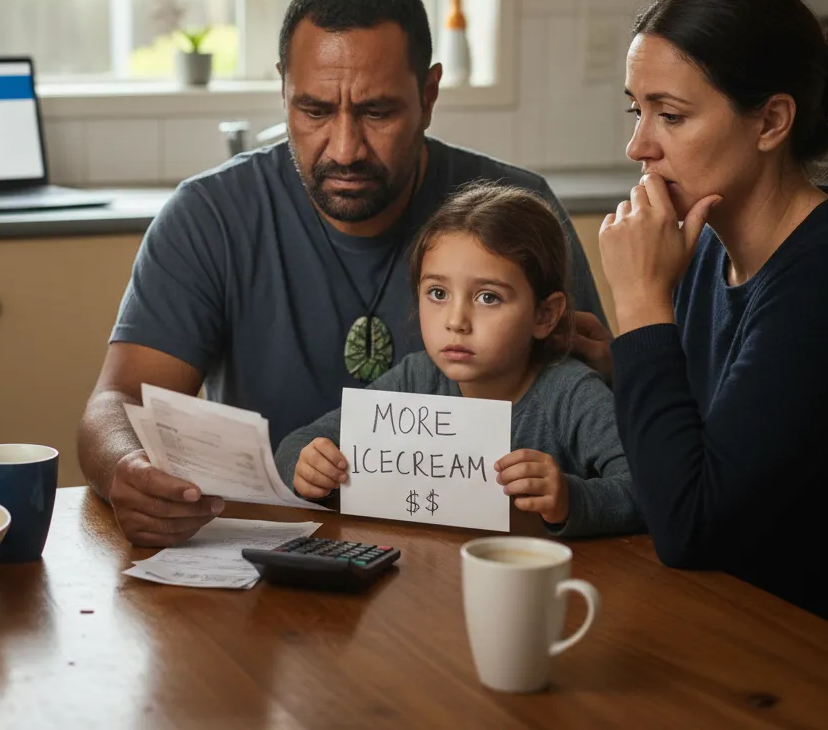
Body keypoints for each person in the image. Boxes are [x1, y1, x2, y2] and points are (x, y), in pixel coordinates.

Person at [78, 0, 606, 548]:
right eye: (315, 111)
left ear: (428, 96)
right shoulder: (211, 215)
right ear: (283, 88)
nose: (346, 147)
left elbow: (600, 406)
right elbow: (118, 401)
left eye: (378, 113)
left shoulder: (519, 212)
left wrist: (617, 369)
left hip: (485, 557)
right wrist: (126, 468)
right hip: (271, 556)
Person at [596, 0, 828, 621]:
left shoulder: (820, 278)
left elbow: (690, 527)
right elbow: (681, 456)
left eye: (670, 115)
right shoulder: (704, 248)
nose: (639, 146)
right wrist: (621, 356)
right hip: (722, 614)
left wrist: (642, 304)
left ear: (772, 121)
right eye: (636, 110)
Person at [275, 183, 642, 538]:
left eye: (488, 297)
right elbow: (301, 441)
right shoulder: (416, 378)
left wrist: (570, 498)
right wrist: (306, 465)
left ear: (544, 315)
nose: (455, 321)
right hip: (430, 576)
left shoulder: (571, 394)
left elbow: (645, 491)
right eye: (437, 293)